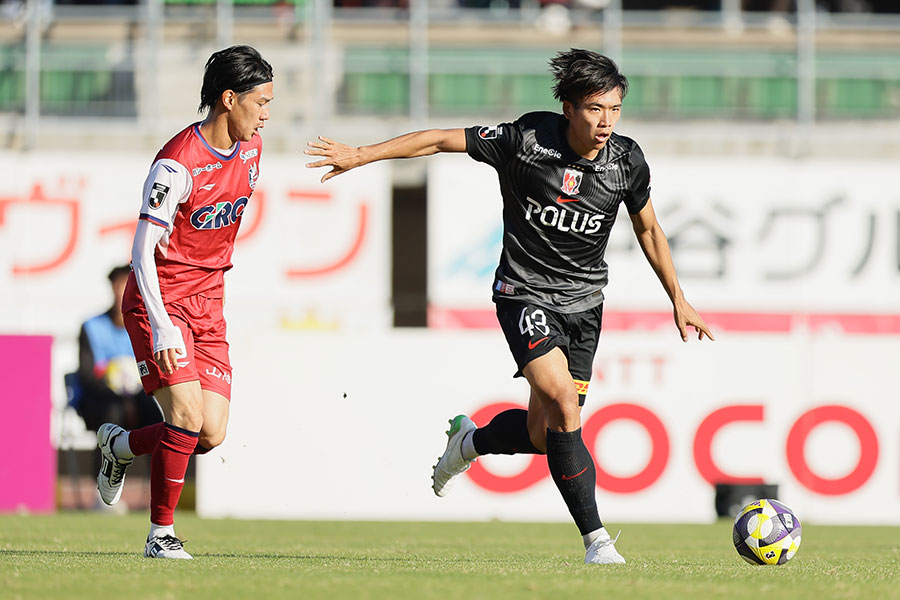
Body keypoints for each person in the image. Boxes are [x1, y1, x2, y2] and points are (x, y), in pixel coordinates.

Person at [305, 48, 713, 565]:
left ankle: (469, 443)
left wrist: (679, 298)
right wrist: (361, 155)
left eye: (614, 108)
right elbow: (437, 139)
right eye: (594, 108)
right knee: (565, 402)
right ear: (568, 107)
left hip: (585, 306)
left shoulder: (627, 161)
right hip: (523, 293)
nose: (606, 121)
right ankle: (597, 543)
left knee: (546, 436)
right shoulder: (525, 141)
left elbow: (649, 228)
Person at [95, 44, 273, 559]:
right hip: (160, 301)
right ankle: (160, 535)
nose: (265, 115)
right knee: (187, 415)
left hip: (208, 305)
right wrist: (162, 324)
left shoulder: (253, 152)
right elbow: (141, 252)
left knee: (210, 433)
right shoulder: (177, 165)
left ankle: (119, 446)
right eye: (260, 103)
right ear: (228, 99)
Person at [75, 264, 163, 438]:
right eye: (118, 286)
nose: (122, 292)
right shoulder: (92, 327)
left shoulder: (147, 326)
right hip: (101, 398)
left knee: (158, 419)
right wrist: (121, 396)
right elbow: (87, 374)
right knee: (111, 419)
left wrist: (133, 394)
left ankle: (155, 466)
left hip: (140, 395)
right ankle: (105, 465)